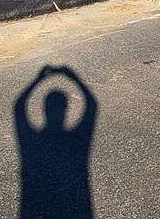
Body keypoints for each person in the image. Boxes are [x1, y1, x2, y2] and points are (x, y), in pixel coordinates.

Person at [13, 65, 98, 219]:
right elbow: (92, 105)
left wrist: (38, 80)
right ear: (66, 109)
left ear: (44, 110)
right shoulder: (78, 139)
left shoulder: (30, 140)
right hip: (78, 207)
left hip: (33, 206)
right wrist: (75, 79)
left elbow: (18, 108)